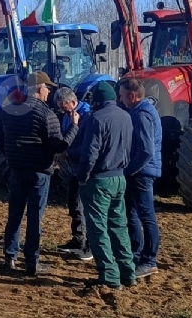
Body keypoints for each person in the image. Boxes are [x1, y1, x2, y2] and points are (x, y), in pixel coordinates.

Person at [0, 71, 73, 277]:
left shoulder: (8, 110)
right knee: (34, 218)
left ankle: (10, 258)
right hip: (39, 172)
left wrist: (15, 157)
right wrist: (74, 126)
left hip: (16, 170)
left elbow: (0, 141)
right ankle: (32, 262)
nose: (49, 92)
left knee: (14, 215)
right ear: (40, 89)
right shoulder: (45, 114)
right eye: (47, 88)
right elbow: (58, 145)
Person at [67, 80, 135, 292]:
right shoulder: (127, 117)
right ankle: (128, 272)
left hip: (99, 180)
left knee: (98, 230)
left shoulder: (97, 119)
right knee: (119, 226)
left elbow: (90, 154)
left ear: (96, 100)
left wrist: (83, 177)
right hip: (119, 178)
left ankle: (109, 276)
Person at [120, 76, 162, 278]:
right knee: (132, 214)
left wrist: (130, 170)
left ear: (132, 95)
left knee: (146, 216)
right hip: (140, 172)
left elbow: (146, 150)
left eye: (122, 96)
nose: (121, 100)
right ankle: (135, 255)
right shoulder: (138, 111)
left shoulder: (142, 114)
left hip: (142, 173)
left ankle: (149, 260)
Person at [53, 86, 93, 262]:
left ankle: (89, 246)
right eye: (60, 107)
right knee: (74, 205)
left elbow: (87, 146)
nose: (62, 110)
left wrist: (68, 152)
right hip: (70, 168)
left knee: (87, 207)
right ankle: (77, 239)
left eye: (64, 106)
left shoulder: (87, 118)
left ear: (74, 102)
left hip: (83, 168)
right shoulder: (68, 116)